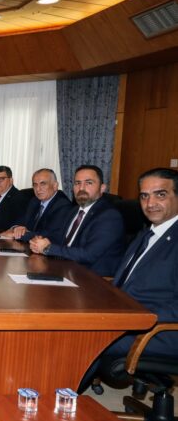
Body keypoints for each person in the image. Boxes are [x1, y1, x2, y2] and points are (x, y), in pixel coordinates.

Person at [79, 168, 178, 392]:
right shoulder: (146, 234)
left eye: (160, 194)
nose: (150, 203)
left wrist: (134, 316)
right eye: (144, 196)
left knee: (84, 340)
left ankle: (59, 398)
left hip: (161, 330)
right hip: (127, 318)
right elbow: (122, 282)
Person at [29, 165, 124, 277]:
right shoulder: (73, 211)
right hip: (66, 270)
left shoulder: (109, 216)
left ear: (102, 188)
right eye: (77, 183)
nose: (81, 188)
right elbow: (60, 239)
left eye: (88, 183)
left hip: (92, 278)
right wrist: (39, 241)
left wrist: (48, 248)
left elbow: (88, 255)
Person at [0, 168, 72, 243]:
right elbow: (21, 220)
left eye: (43, 184)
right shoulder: (35, 201)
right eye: (35, 185)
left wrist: (17, 235)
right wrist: (16, 228)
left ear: (55, 186)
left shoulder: (63, 206)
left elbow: (48, 234)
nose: (38, 189)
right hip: (31, 246)